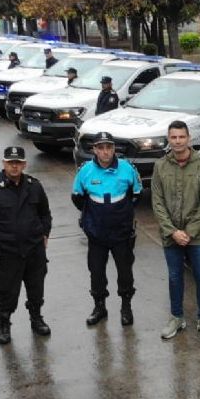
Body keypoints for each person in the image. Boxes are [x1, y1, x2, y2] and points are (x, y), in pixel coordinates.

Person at [0, 147, 53, 345]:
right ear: (4, 164)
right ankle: (4, 323)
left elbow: (45, 213)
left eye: (18, 162)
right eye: (10, 162)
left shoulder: (34, 186)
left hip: (34, 250)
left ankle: (36, 318)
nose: (14, 166)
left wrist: (44, 233)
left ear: (24, 164)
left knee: (36, 288)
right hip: (8, 252)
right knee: (8, 291)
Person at [151, 121, 200, 342]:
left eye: (181, 137)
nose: (177, 141)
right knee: (174, 277)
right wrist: (172, 232)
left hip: (198, 236)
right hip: (171, 236)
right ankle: (177, 317)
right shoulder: (160, 166)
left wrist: (189, 232)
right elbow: (157, 202)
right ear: (169, 139)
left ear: (188, 138)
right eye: (173, 137)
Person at [72, 132, 141, 327]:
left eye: (109, 147)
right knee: (96, 271)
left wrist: (121, 215)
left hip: (122, 233)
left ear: (113, 149)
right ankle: (99, 307)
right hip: (96, 234)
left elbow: (136, 195)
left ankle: (126, 307)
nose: (105, 152)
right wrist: (93, 219)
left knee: (125, 271)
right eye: (100, 147)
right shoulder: (85, 171)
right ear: (94, 149)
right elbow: (78, 197)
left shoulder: (127, 169)